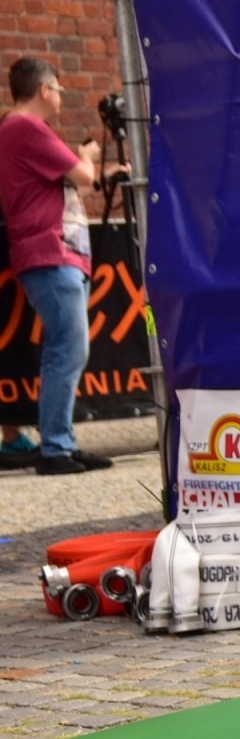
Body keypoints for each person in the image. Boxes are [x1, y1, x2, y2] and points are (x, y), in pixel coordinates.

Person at [0, 58, 118, 475]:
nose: (62, 98)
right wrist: (87, 155)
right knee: (68, 349)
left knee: (64, 349)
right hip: (50, 253)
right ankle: (55, 448)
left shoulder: (20, 132)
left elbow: (67, 179)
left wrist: (100, 170)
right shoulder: (25, 128)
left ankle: (60, 442)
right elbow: (82, 175)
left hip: (60, 253)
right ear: (45, 89)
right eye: (60, 90)